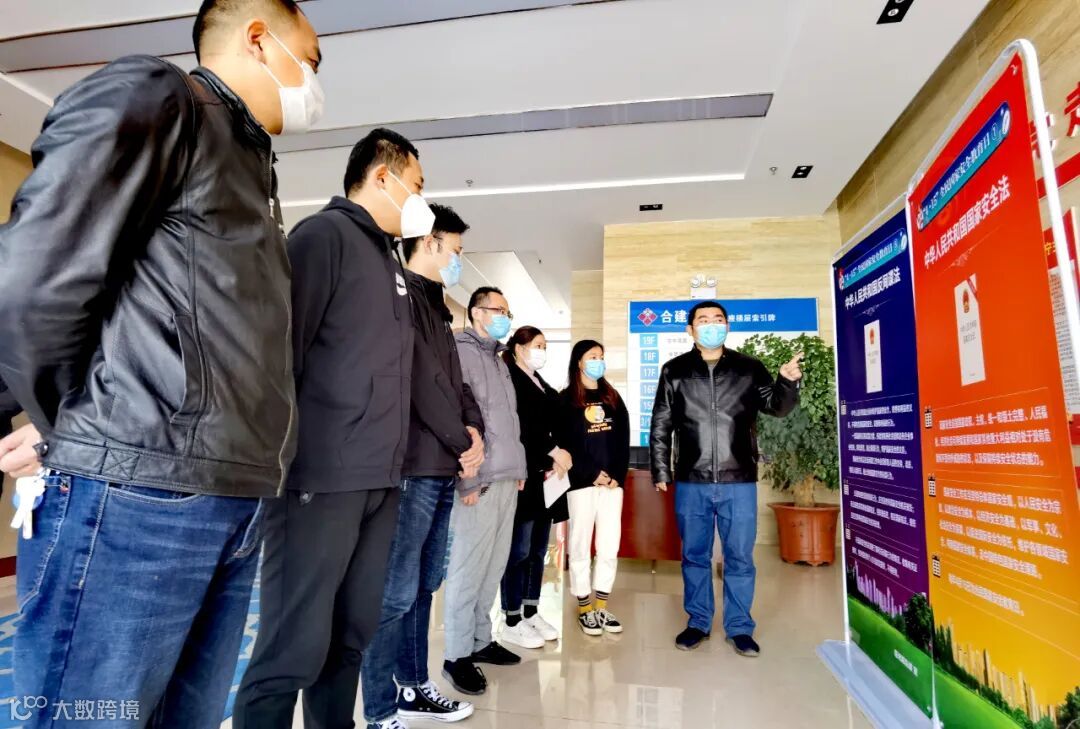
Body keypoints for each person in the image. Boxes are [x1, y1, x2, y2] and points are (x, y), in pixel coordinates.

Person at [0, 1, 321, 725]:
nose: (313, 82)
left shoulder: (250, 164)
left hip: (227, 493)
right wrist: (70, 426)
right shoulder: (162, 96)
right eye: (310, 58)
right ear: (258, 39)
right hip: (140, 491)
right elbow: (33, 279)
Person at [234, 127, 426, 727]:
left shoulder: (388, 260)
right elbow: (279, 355)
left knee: (348, 639)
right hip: (320, 477)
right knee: (292, 646)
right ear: (381, 176)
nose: (420, 198)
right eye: (417, 185)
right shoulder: (323, 237)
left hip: (379, 479)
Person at [359, 203, 486, 729]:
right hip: (412, 464)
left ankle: (413, 687)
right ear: (430, 243)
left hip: (441, 466)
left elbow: (457, 384)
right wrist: (463, 442)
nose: (459, 259)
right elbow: (421, 384)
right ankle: (379, 710)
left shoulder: (438, 305)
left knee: (423, 584)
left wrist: (474, 429)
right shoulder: (401, 298)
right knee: (394, 591)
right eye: (455, 249)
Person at [650, 301, 802, 655]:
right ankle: (698, 622)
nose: (711, 325)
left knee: (740, 557)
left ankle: (739, 627)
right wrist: (661, 469)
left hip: (739, 478)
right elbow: (661, 423)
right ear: (690, 330)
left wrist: (787, 381)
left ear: (727, 326)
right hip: (692, 478)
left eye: (718, 319)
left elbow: (777, 407)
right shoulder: (675, 370)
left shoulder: (749, 368)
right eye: (703, 320)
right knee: (694, 556)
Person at [442, 287, 528, 695]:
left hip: (507, 476)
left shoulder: (498, 358)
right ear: (477, 312)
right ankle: (456, 655)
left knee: (493, 567)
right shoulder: (459, 351)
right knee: (468, 569)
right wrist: (468, 477)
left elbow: (508, 420)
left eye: (508, 312)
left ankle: (480, 639)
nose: (505, 318)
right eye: (499, 310)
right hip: (480, 478)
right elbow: (459, 416)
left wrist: (519, 466)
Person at [498, 326, 573, 650]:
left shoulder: (540, 382)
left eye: (545, 345)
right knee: (519, 550)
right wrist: (553, 450)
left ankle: (531, 610)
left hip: (547, 478)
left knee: (539, 550)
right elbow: (521, 427)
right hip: (524, 477)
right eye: (537, 345)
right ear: (518, 347)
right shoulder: (510, 380)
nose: (542, 351)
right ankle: (511, 618)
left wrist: (559, 454)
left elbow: (557, 420)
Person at [559, 340, 630, 636]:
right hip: (581, 484)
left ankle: (601, 606)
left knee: (609, 546)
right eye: (592, 356)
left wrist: (616, 476)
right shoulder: (565, 400)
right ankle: (584, 607)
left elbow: (623, 440)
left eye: (601, 356)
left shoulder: (612, 397)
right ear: (579, 361)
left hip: (612, 486)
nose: (598, 361)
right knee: (579, 545)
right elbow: (565, 445)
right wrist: (591, 473)